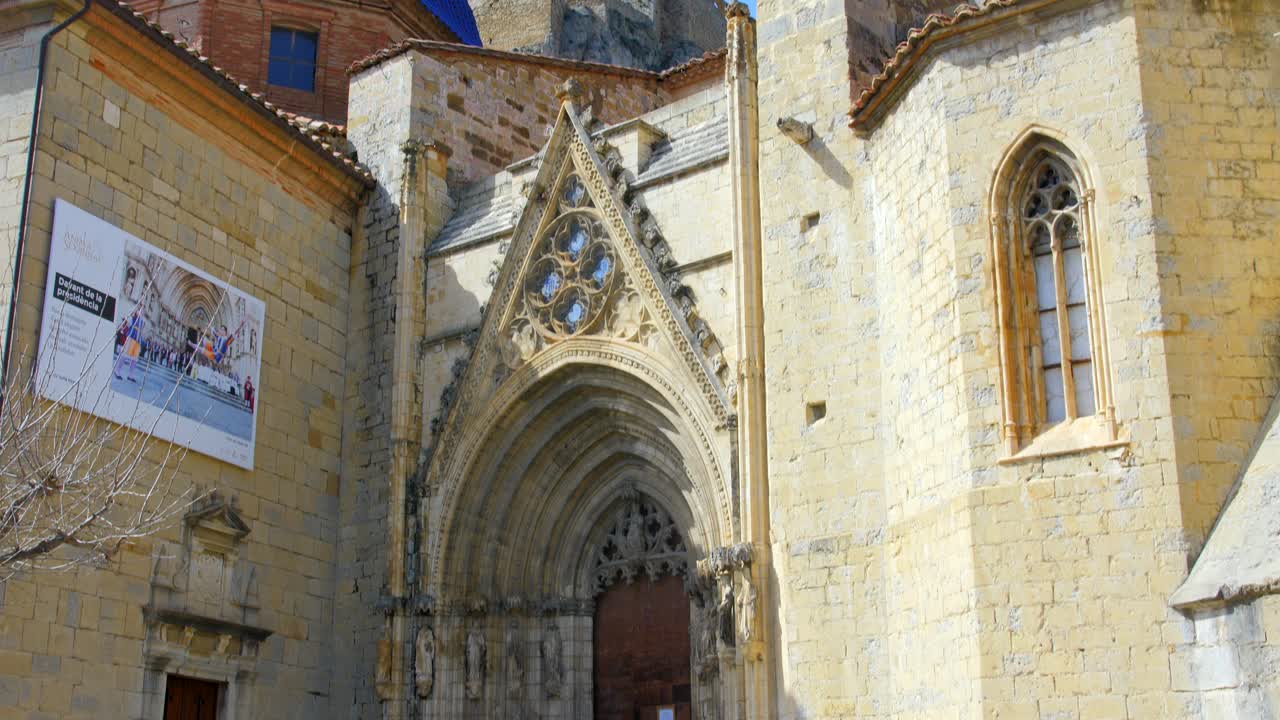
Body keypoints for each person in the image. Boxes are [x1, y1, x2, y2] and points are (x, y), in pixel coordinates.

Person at [112, 308, 146, 382]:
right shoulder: (134, 316)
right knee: (125, 355)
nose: (142, 311)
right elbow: (131, 315)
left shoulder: (143, 320)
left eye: (143, 310)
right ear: (138, 311)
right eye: (141, 310)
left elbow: (142, 327)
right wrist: (136, 312)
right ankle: (117, 371)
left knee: (135, 359)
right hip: (131, 337)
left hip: (138, 340)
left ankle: (131, 375)